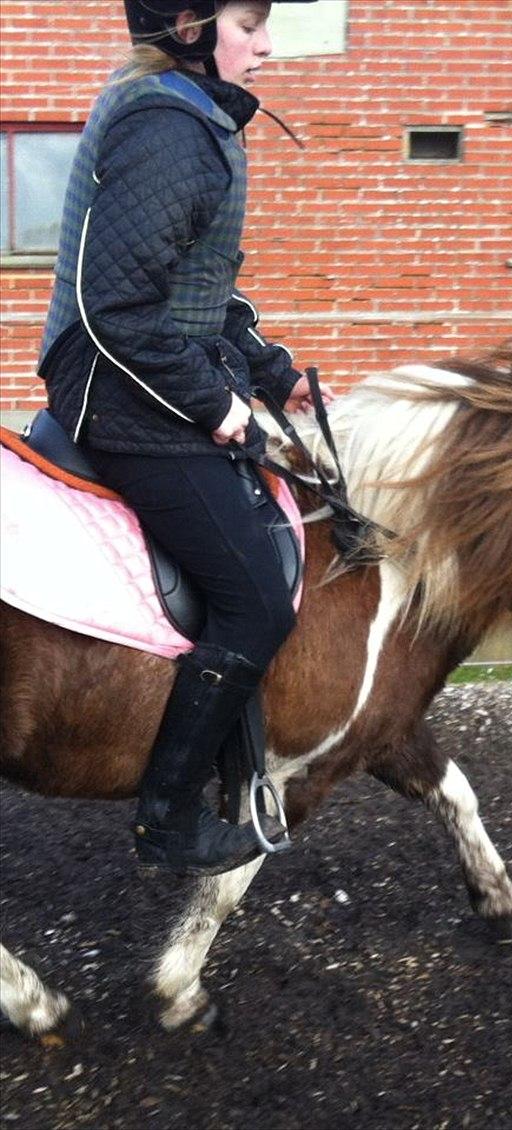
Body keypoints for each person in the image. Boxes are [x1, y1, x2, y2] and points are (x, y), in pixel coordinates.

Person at [38, 0, 328, 876]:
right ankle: (166, 817)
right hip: (124, 400)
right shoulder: (168, 127)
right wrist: (220, 408)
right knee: (257, 602)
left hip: (148, 381)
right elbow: (116, 309)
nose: (269, 45)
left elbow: (198, 288)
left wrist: (274, 374)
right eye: (251, 23)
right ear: (193, 26)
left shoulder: (190, 116)